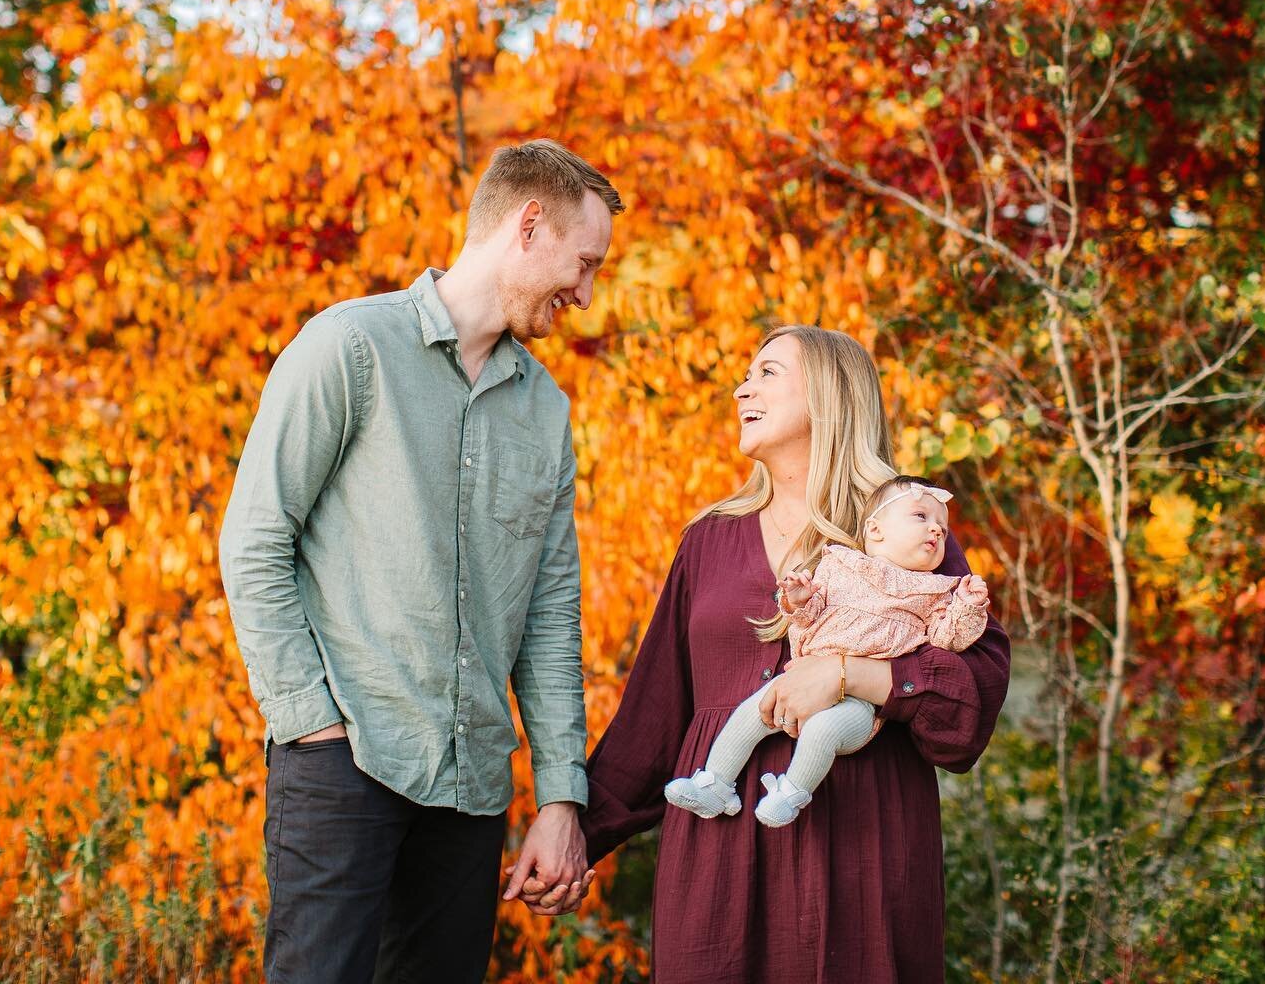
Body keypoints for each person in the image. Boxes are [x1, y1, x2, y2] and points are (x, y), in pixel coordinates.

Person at [218, 139, 621, 984]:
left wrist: (560, 797)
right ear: (529, 224)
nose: (585, 295)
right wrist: (310, 723)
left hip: (472, 786)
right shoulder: (350, 348)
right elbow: (255, 541)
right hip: (345, 757)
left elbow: (550, 617)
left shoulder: (545, 412)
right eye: (582, 265)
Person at [546, 324, 1011, 984]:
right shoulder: (707, 541)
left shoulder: (905, 527)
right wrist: (573, 836)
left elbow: (975, 693)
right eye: (746, 374)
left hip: (860, 854)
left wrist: (855, 675)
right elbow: (652, 721)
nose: (743, 389)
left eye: (767, 373)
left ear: (829, 396)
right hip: (717, 872)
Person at [663, 475, 990, 828]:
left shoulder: (935, 591)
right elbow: (809, 617)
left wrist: (968, 608)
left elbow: (947, 640)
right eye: (921, 517)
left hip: (859, 702)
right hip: (803, 674)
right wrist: (798, 600)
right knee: (752, 712)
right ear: (876, 530)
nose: (937, 530)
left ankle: (790, 793)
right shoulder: (840, 565)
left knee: (824, 731)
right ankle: (715, 782)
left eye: (942, 526)